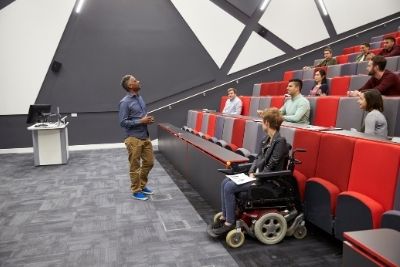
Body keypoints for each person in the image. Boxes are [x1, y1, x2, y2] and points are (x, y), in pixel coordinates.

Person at [211, 108, 289, 235]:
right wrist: (251, 172)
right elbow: (257, 158)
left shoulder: (280, 142)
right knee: (225, 182)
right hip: (257, 176)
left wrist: (257, 177)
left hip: (267, 180)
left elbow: (271, 165)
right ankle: (225, 216)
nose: (262, 124)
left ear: (267, 123)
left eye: (263, 122)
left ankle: (229, 223)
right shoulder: (266, 139)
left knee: (229, 187)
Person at [119, 74, 155, 201]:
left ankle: (142, 185)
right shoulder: (125, 102)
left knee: (149, 163)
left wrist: (147, 120)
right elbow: (123, 122)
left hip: (145, 136)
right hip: (133, 139)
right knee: (135, 166)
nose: (138, 81)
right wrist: (141, 121)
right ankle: (136, 190)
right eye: (135, 80)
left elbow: (141, 117)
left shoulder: (140, 98)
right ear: (130, 85)